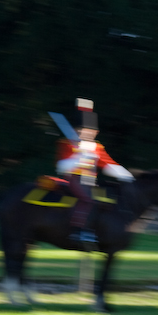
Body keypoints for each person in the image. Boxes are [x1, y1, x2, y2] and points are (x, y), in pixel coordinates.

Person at [56, 98, 134, 244]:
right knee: (87, 200)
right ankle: (77, 231)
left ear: (96, 132)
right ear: (75, 131)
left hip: (91, 181)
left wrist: (126, 175)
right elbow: (62, 166)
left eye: (90, 131)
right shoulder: (67, 144)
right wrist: (78, 157)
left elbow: (107, 164)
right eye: (82, 131)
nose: (86, 134)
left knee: (106, 200)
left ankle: (97, 230)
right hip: (73, 178)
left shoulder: (96, 147)